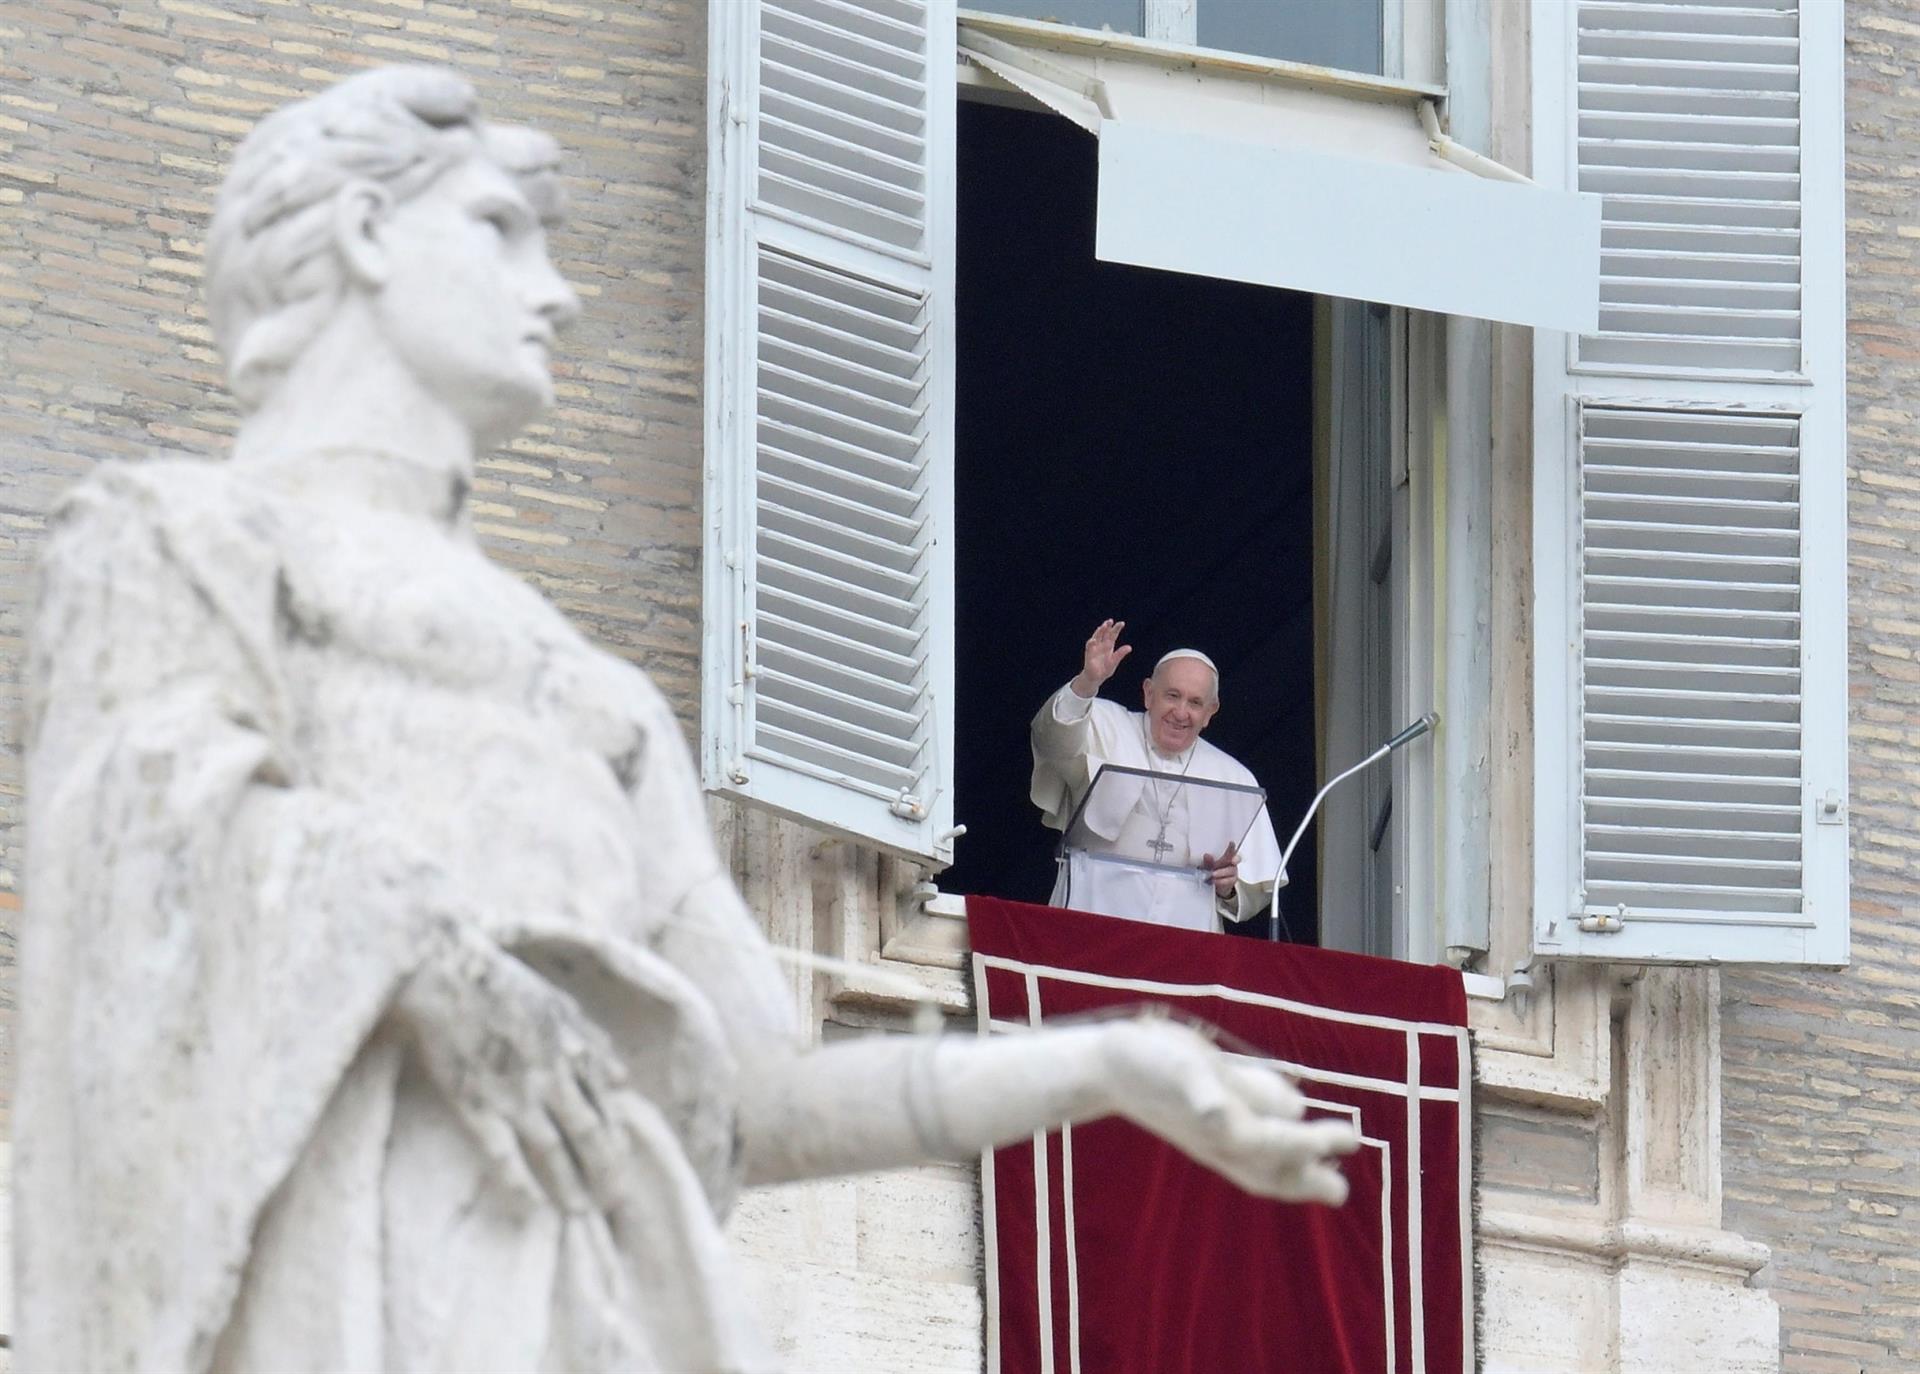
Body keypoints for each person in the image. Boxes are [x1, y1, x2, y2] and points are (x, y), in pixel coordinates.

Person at [17, 67, 1356, 1373]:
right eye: (497, 230)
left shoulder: (595, 705)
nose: (556, 290)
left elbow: (763, 1100)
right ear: (365, 233)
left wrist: (1108, 1063)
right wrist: (433, 964)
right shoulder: (175, 547)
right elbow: (141, 859)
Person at [1032, 619, 1285, 933]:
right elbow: (1052, 739)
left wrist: (1228, 887)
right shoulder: (1104, 724)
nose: (1181, 712)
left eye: (1195, 702)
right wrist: (1087, 683)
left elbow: (1252, 887)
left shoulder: (1234, 777)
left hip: (1184, 932)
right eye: (1172, 696)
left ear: (1210, 712)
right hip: (1093, 911)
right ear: (1149, 693)